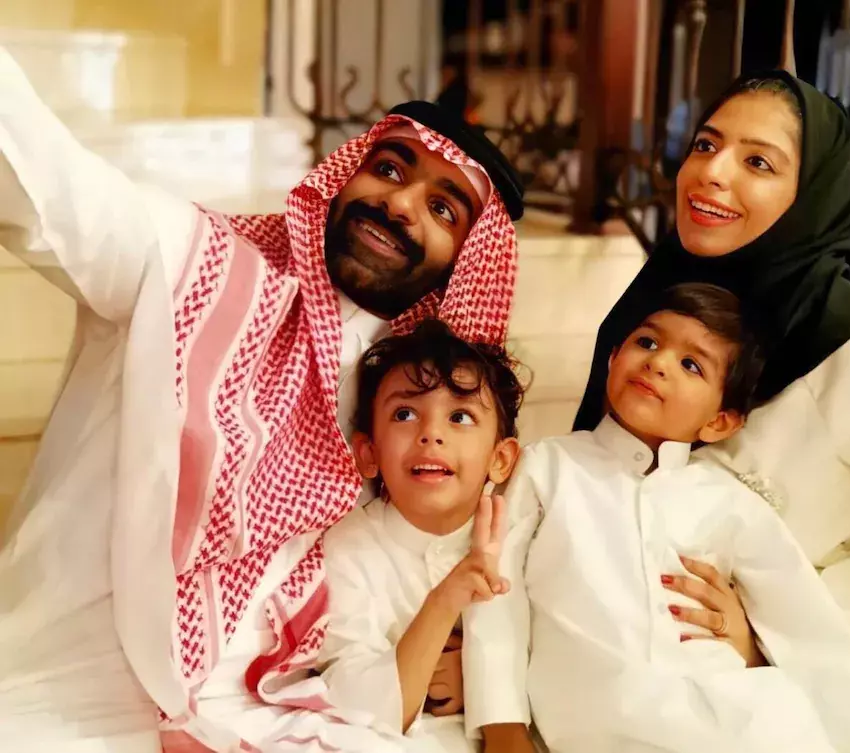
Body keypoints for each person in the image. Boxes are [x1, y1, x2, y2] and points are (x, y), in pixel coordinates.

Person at [0, 44, 525, 752]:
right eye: (390, 168)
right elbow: (46, 189)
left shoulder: (407, 403)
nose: (400, 204)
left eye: (442, 207)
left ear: (466, 261)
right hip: (76, 690)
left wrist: (463, 656)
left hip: (266, 705)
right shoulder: (193, 266)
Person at [573, 71, 850, 751]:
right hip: (617, 667)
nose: (711, 173)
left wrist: (774, 628)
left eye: (758, 161)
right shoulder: (662, 306)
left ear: (811, 195)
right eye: (705, 145)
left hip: (765, 705)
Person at [468, 282, 850, 753]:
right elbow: (494, 596)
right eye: (647, 342)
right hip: (595, 724)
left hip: (737, 720)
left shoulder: (730, 503)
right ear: (611, 359)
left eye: (691, 365)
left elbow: (813, 635)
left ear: (720, 423)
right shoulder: (545, 467)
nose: (658, 362)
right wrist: (502, 727)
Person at [318, 319, 534, 753]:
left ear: (501, 458)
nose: (431, 433)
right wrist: (444, 601)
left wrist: (479, 675)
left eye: (460, 416)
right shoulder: (345, 548)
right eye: (405, 414)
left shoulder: (526, 531)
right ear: (369, 453)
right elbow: (359, 709)